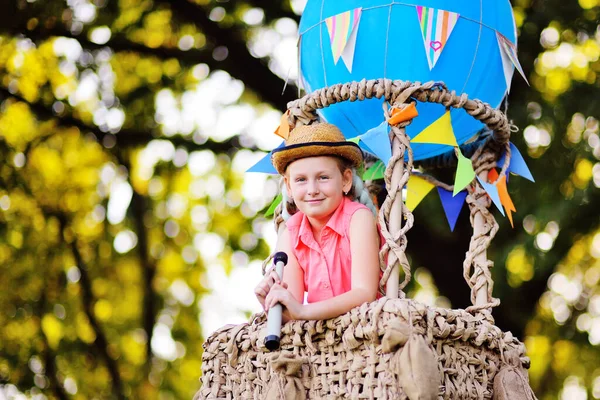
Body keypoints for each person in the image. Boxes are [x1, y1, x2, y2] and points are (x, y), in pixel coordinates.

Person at [254, 122, 381, 322]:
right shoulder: (290, 233)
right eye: (301, 180)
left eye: (323, 177)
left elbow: (364, 293)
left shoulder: (358, 218)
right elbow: (293, 308)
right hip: (321, 338)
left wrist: (304, 311)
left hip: (366, 326)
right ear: (288, 186)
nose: (312, 189)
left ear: (346, 180)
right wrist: (271, 303)